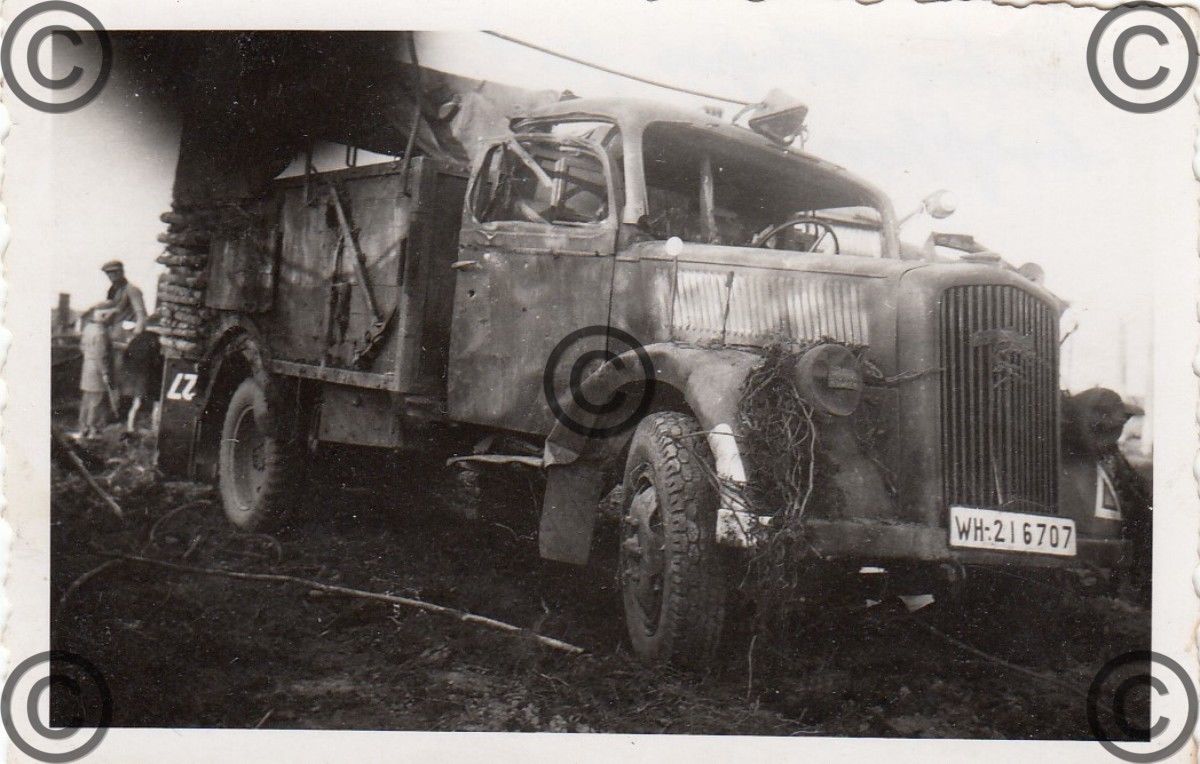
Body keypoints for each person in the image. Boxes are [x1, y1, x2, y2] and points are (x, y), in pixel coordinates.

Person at [76, 306, 115, 439]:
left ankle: (83, 428)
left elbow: (82, 346)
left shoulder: (88, 328)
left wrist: (89, 356)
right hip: (97, 370)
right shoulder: (101, 333)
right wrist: (105, 372)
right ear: (103, 318)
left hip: (87, 366)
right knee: (96, 400)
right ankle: (93, 430)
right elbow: (102, 355)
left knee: (86, 399)